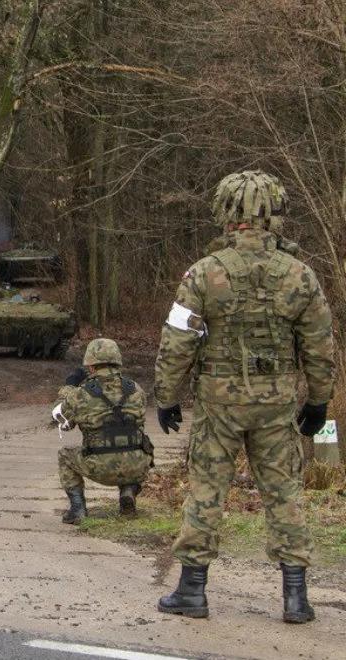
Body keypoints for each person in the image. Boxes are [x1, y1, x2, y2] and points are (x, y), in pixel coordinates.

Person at [154, 170, 336, 624]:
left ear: (225, 212)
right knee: (284, 492)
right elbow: (319, 344)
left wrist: (167, 395)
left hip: (219, 403)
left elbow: (178, 340)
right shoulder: (299, 275)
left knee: (206, 489)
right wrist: (318, 401)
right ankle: (296, 598)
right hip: (276, 403)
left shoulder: (205, 273)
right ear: (275, 211)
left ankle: (192, 591)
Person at [52, 338, 153, 524]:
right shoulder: (136, 389)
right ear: (117, 362)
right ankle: (128, 491)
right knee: (130, 445)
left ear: (90, 366)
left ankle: (77, 509)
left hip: (100, 466)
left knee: (64, 456)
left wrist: (69, 387)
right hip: (136, 466)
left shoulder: (81, 394)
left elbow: (60, 419)